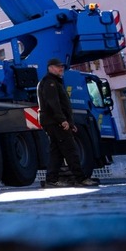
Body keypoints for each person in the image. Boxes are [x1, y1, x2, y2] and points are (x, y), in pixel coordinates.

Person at [37, 58, 99, 188]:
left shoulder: (54, 82)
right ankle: (81, 179)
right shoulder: (50, 83)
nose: (61, 69)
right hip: (54, 121)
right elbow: (53, 103)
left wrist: (70, 123)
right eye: (58, 67)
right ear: (50, 68)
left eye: (62, 67)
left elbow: (62, 105)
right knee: (70, 149)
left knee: (57, 152)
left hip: (53, 121)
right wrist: (62, 120)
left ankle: (51, 180)